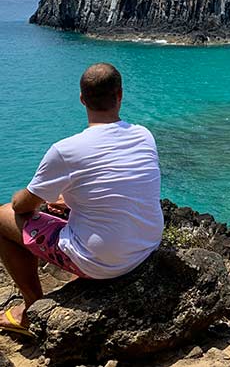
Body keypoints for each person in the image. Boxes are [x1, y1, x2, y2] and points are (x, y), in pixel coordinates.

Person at [0, 63, 164, 337]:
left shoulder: (65, 150)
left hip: (102, 263)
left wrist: (35, 199)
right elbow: (113, 187)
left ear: (81, 99)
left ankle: (32, 310)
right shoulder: (144, 135)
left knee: (3, 215)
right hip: (146, 247)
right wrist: (71, 200)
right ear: (120, 95)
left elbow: (21, 207)